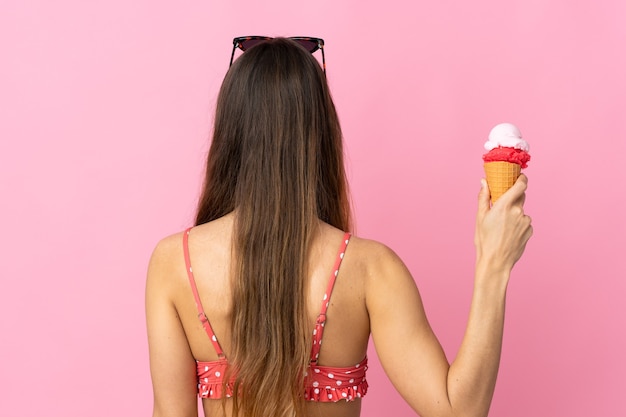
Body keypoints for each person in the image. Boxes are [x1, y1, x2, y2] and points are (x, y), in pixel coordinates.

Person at [146, 37, 533, 417]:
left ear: (229, 134)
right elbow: (458, 412)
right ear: (320, 133)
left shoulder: (174, 262)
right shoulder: (370, 268)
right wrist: (493, 265)